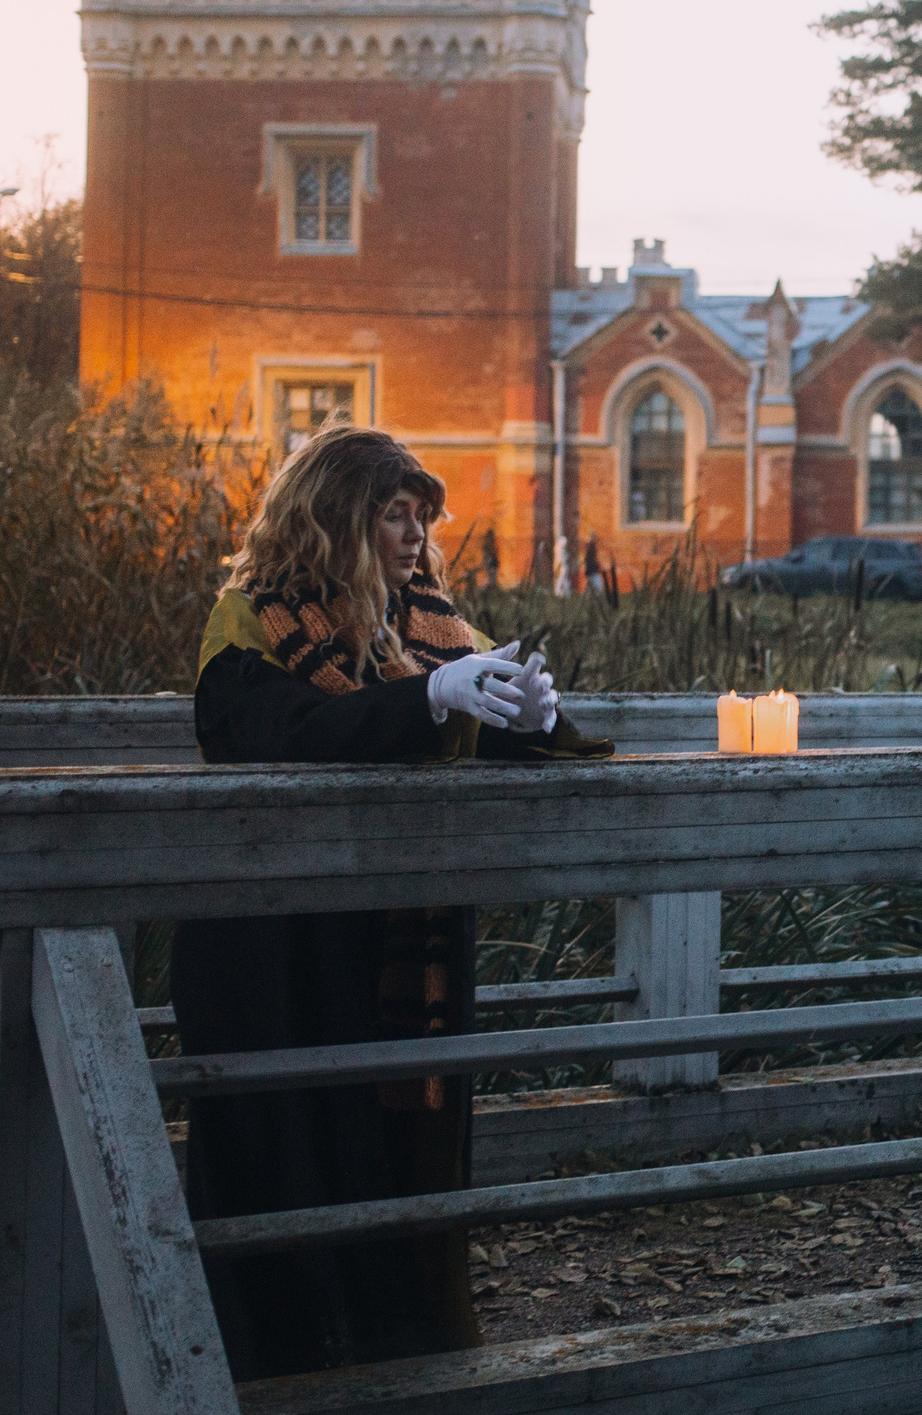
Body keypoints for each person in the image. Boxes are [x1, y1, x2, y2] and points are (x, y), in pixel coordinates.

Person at [177, 427, 606, 1378]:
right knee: (285, 1151)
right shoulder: (252, 622)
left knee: (393, 1149)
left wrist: (536, 719)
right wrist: (432, 699)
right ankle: (269, 1366)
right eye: (393, 515)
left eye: (421, 517)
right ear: (335, 518)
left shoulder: (425, 624)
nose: (416, 535)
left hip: (391, 941)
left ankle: (400, 1362)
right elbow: (286, 734)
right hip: (276, 946)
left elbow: (463, 719)